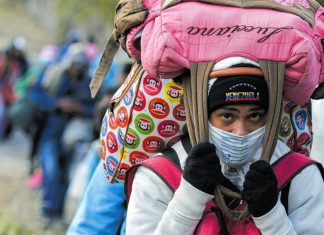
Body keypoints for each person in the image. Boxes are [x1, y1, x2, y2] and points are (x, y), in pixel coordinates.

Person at [125, 58, 324, 234]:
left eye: (254, 116)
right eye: (227, 116)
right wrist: (188, 199)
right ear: (203, 114)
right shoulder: (159, 175)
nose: (241, 131)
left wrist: (271, 216)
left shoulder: (299, 175)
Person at [37, 51, 97, 228]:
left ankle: (57, 214)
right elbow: (35, 95)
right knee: (51, 171)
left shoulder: (89, 84)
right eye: (75, 67)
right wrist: (57, 103)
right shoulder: (54, 76)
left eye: (81, 68)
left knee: (64, 176)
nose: (76, 71)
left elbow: (95, 108)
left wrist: (78, 108)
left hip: (72, 137)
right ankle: (47, 211)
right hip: (50, 132)